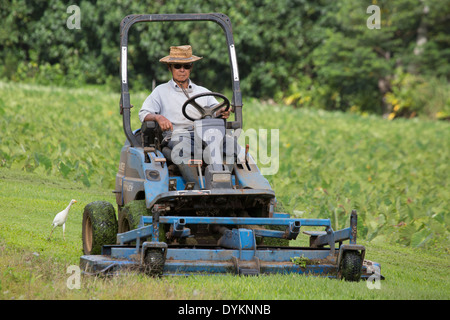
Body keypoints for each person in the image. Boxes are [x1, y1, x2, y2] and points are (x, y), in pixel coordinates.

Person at [139, 45, 235, 188]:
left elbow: (216, 109)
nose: (182, 70)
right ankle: (197, 188)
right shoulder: (161, 91)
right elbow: (144, 113)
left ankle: (222, 185)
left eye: (186, 66)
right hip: (176, 135)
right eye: (178, 66)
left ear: (191, 67)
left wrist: (223, 111)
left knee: (231, 144)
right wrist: (159, 118)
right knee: (183, 147)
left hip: (203, 135)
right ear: (170, 68)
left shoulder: (203, 92)